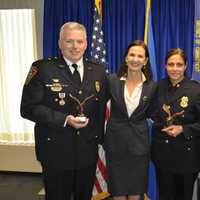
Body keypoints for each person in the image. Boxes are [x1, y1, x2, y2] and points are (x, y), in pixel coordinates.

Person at [20, 22, 107, 200]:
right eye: (69, 41)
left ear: (86, 44)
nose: (75, 47)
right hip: (55, 150)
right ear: (59, 43)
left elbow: (101, 109)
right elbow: (28, 108)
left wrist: (100, 139)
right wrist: (64, 119)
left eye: (79, 41)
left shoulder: (98, 70)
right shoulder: (43, 68)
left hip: (87, 150)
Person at [104, 40, 157, 200]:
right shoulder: (111, 81)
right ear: (126, 58)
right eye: (132, 55)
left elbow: (157, 113)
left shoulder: (152, 87)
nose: (135, 59)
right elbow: (98, 107)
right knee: (118, 191)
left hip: (139, 146)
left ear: (145, 61)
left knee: (136, 191)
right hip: (115, 144)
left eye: (140, 56)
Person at [151, 48, 200, 200]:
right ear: (165, 66)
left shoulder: (196, 89)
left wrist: (183, 129)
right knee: (165, 196)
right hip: (163, 154)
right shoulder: (157, 87)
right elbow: (152, 113)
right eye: (171, 64)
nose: (175, 69)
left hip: (186, 156)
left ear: (186, 66)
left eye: (179, 65)